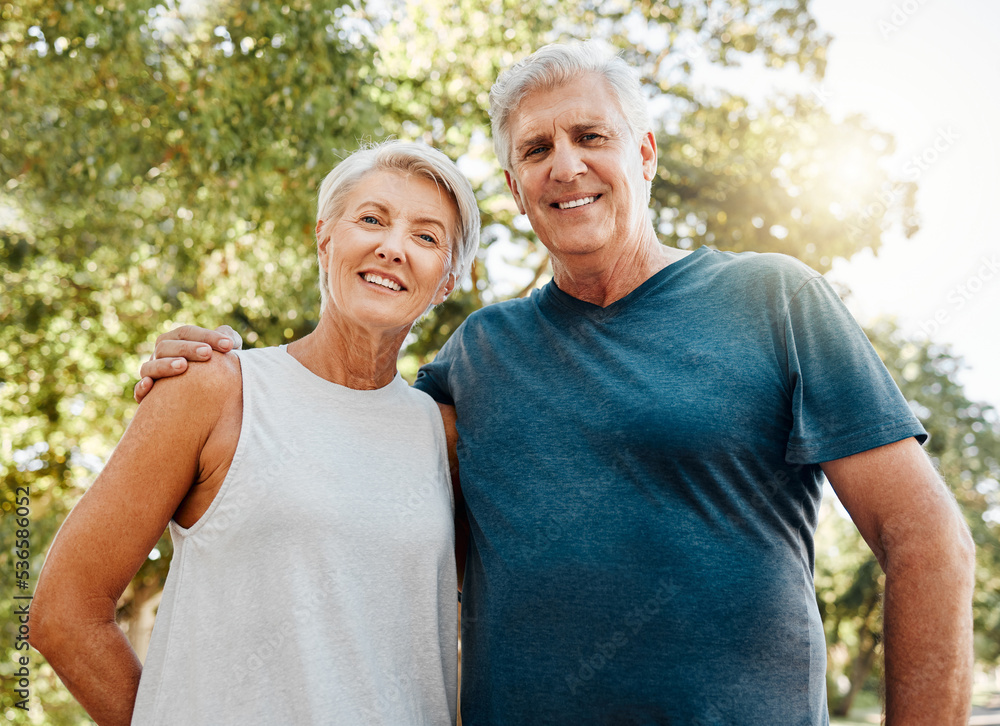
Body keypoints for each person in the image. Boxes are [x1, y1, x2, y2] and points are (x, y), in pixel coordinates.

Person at [135, 42, 975, 724]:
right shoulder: (477, 355)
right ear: (516, 189)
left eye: (590, 136)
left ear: (644, 153)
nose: (564, 165)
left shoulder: (774, 299)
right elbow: (336, 441)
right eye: (536, 149)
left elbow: (926, 539)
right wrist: (215, 373)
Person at [30, 141, 480, 726]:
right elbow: (63, 614)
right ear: (325, 237)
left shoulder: (445, 438)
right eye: (371, 219)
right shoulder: (214, 388)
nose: (392, 248)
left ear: (446, 280)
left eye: (426, 237)